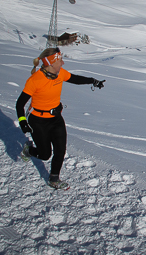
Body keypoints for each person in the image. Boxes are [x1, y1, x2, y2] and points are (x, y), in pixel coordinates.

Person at [16, 47, 105, 189]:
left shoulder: (60, 74)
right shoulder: (35, 80)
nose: (62, 63)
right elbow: (20, 104)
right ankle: (29, 150)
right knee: (45, 155)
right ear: (51, 63)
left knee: (60, 150)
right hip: (38, 121)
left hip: (56, 118)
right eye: (60, 61)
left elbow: (75, 78)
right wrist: (23, 122)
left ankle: (54, 179)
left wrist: (93, 81)